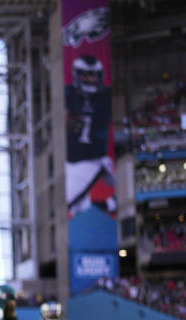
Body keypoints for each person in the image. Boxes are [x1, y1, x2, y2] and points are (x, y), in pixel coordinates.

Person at [65, 55, 115, 216]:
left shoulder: (106, 96)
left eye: (93, 75)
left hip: (93, 159)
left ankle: (110, 199)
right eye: (85, 75)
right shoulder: (68, 93)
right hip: (70, 160)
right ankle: (110, 203)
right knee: (76, 207)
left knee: (69, 200)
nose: (90, 79)